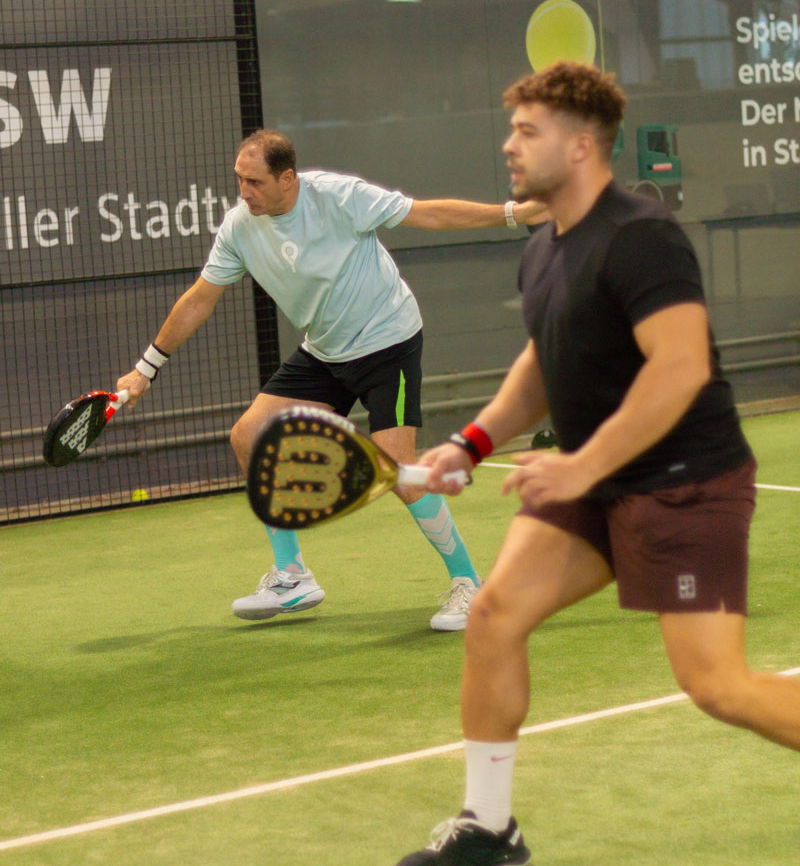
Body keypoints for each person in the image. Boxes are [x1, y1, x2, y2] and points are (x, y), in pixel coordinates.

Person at [389, 60, 800, 866]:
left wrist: (581, 464)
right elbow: (546, 357)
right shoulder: (546, 245)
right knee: (495, 615)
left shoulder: (640, 235)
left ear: (581, 146)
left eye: (527, 131)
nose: (508, 145)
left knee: (718, 686)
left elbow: (679, 367)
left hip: (683, 484)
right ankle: (490, 827)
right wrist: (468, 442)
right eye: (512, 129)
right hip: (594, 483)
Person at [116, 129, 545, 631]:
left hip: (388, 342)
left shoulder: (340, 198)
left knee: (400, 469)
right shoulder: (239, 227)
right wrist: (146, 368)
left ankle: (470, 585)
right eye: (239, 179)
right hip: (324, 351)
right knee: (249, 437)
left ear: (288, 179)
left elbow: (427, 213)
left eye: (253, 181)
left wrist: (512, 214)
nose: (244, 191)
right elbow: (199, 299)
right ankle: (293, 575)